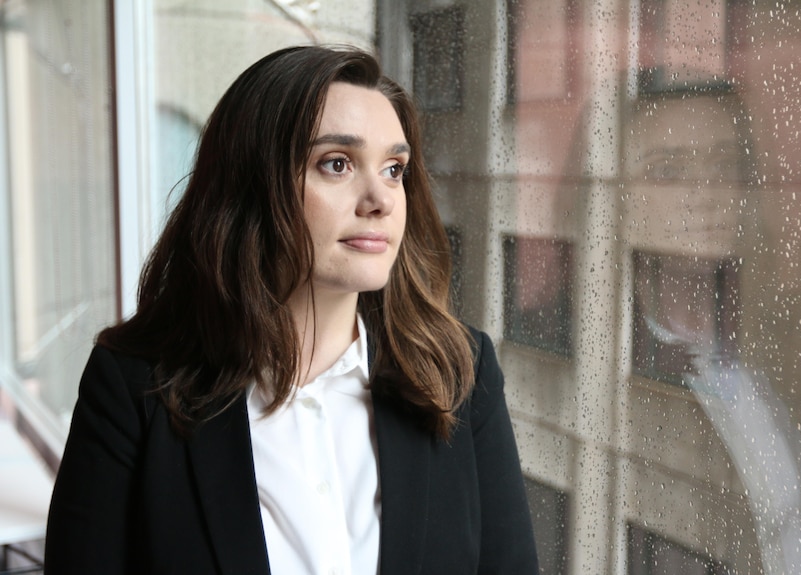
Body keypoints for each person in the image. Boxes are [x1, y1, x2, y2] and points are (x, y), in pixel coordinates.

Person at [44, 45, 539, 575]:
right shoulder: (133, 387)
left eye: (395, 169)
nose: (382, 199)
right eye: (337, 164)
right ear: (251, 185)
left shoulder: (460, 372)